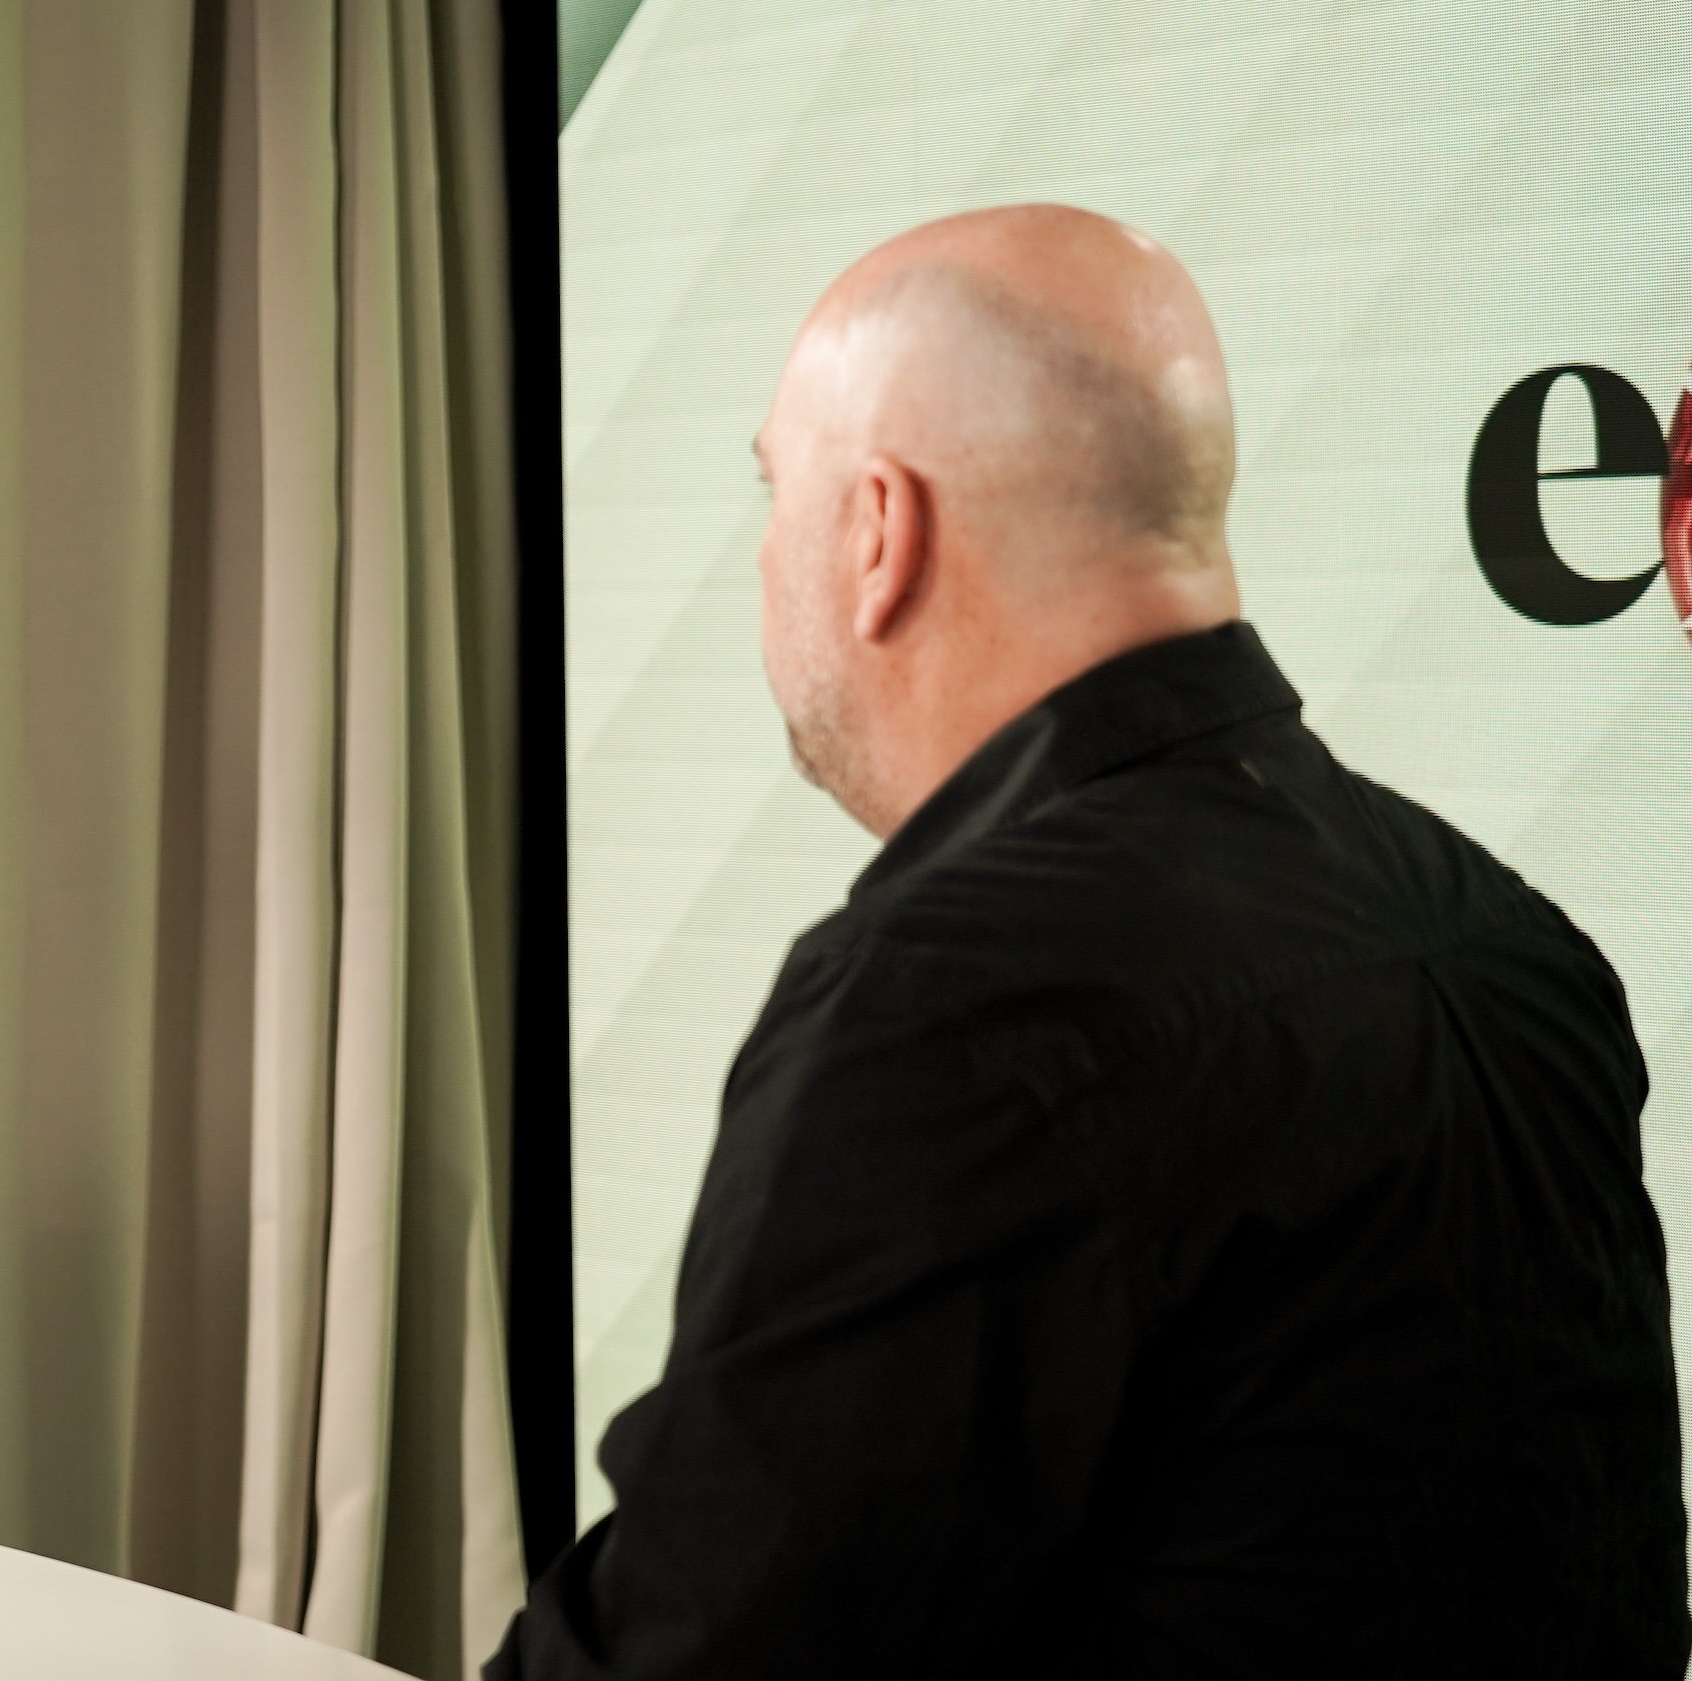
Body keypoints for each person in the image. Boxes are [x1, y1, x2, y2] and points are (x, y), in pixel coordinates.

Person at [495, 206, 1686, 1676]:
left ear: (877, 532)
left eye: (772, 492)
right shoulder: (1516, 944)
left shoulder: (946, 1007)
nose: (758, 562)